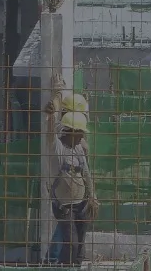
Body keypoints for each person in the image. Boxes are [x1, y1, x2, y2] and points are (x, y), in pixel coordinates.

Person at [44, 111, 98, 265]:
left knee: (80, 245)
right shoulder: (57, 149)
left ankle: (76, 267)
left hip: (81, 205)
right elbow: (50, 135)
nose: (82, 138)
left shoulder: (78, 149)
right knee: (71, 244)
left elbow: (86, 173)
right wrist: (50, 118)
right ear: (71, 132)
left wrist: (93, 196)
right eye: (80, 134)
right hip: (64, 207)